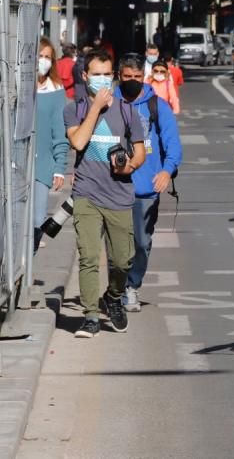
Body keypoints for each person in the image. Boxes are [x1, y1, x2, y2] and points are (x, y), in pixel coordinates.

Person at [64, 49, 147, 338]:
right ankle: (89, 316)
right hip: (87, 193)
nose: (102, 79)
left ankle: (113, 297)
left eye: (106, 74)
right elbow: (78, 141)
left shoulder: (127, 111)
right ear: (85, 77)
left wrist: (129, 167)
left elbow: (139, 152)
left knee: (123, 261)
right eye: (95, 74)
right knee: (88, 257)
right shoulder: (74, 109)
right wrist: (95, 108)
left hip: (120, 195)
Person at [114, 55, 182, 312]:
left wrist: (166, 171)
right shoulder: (109, 103)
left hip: (146, 188)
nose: (132, 82)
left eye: (137, 77)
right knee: (116, 244)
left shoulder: (157, 105)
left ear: (144, 77)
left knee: (141, 242)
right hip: (112, 185)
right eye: (127, 77)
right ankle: (116, 289)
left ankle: (132, 285)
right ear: (119, 76)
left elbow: (172, 143)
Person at [34, 38, 69, 251]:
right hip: (13, 165)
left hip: (43, 166)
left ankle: (24, 271)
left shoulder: (56, 90)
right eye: (40, 56)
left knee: (38, 220)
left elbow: (59, 132)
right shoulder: (15, 85)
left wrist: (59, 168)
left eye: (48, 57)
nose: (44, 61)